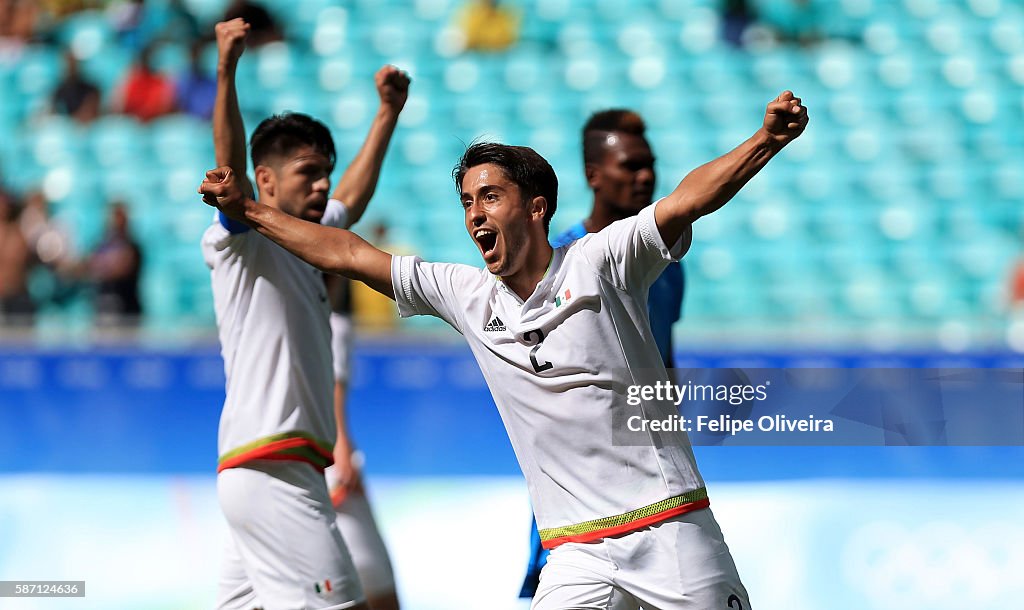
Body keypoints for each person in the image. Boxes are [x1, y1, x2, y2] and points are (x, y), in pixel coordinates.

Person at [201, 91, 808, 609]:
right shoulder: (465, 294)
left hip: (671, 529)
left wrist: (765, 140)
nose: (474, 214)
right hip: (576, 552)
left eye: (489, 196)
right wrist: (249, 209)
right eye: (466, 201)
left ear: (536, 207)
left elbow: (687, 199)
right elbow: (349, 253)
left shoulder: (602, 260)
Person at [203, 17, 408, 610]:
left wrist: (386, 115)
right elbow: (229, 173)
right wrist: (226, 66)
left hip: (270, 470)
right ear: (265, 180)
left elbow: (354, 196)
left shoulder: (310, 239)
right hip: (275, 468)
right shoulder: (245, 238)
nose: (322, 187)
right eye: (307, 174)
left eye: (324, 171)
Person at [519, 108, 685, 599]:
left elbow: (664, 367)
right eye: (630, 165)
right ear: (593, 174)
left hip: (657, 483)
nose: (645, 175)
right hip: (581, 489)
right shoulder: (553, 263)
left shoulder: (668, 265)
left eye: (649, 163)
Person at [325, 273, 400, 610]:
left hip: (297, 461)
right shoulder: (334, 324)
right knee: (378, 580)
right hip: (329, 463)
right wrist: (342, 452)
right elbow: (334, 393)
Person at [87, 201, 142, 326]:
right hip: (103, 308)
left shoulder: (134, 247)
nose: (116, 222)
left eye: (120, 217)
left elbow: (123, 267)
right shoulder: (100, 245)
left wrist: (103, 266)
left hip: (128, 312)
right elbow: (89, 266)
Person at [51, 50, 101, 124]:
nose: (70, 66)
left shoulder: (91, 90)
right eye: (68, 63)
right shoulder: (59, 90)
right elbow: (53, 111)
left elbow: (88, 115)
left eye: (73, 63)